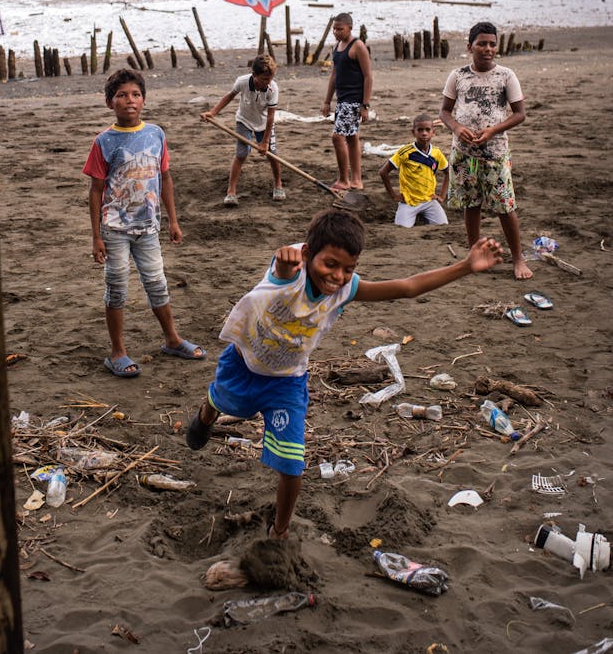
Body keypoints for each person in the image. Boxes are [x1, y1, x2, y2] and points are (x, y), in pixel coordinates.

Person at [186, 208, 502, 539]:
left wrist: (466, 266)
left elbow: (408, 287)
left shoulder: (345, 288)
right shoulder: (290, 272)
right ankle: (207, 415)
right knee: (225, 401)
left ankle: (278, 532)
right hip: (243, 365)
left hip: (287, 383)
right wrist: (283, 263)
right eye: (330, 265)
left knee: (293, 465)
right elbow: (282, 271)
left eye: (348, 269)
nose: (337, 276)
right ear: (308, 255)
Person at [83, 68, 206, 377]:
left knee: (157, 283)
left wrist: (173, 221)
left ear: (144, 100)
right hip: (115, 229)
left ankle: (172, 339)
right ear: (110, 102)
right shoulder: (104, 142)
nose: (130, 101)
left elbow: (165, 178)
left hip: (148, 228)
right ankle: (117, 352)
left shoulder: (156, 134)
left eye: (136, 94)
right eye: (122, 95)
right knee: (117, 288)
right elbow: (96, 190)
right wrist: (96, 236)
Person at [439, 21, 533, 280]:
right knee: (471, 203)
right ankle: (474, 254)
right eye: (481, 43)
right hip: (464, 154)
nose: (487, 48)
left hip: (495, 153)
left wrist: (493, 130)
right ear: (470, 46)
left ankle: (518, 257)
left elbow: (520, 114)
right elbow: (445, 111)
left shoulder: (506, 75)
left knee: (505, 206)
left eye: (492, 44)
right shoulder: (458, 76)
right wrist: (457, 128)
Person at [200, 54, 285, 207]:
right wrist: (212, 113)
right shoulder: (243, 81)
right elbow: (229, 96)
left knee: (272, 154)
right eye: (264, 79)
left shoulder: (273, 88)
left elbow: (271, 118)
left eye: (270, 78)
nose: (268, 82)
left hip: (264, 123)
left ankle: (278, 185)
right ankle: (231, 191)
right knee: (241, 154)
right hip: (244, 121)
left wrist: (265, 142)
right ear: (254, 75)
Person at [321, 13, 372, 191]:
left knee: (337, 137)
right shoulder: (336, 47)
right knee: (351, 137)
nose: (336, 32)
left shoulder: (358, 46)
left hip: (354, 100)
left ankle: (344, 179)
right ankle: (356, 180)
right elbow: (334, 76)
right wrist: (327, 101)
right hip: (341, 99)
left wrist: (365, 105)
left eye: (340, 29)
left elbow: (368, 77)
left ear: (350, 28)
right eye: (334, 29)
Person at [379, 113, 449, 227]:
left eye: (427, 130)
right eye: (420, 130)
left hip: (429, 201)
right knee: (402, 229)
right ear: (413, 132)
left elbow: (448, 172)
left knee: (444, 225)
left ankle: (423, 216)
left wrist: (442, 196)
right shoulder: (405, 152)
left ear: (433, 132)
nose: (424, 133)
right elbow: (383, 172)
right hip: (408, 202)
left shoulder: (437, 153)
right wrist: (393, 196)